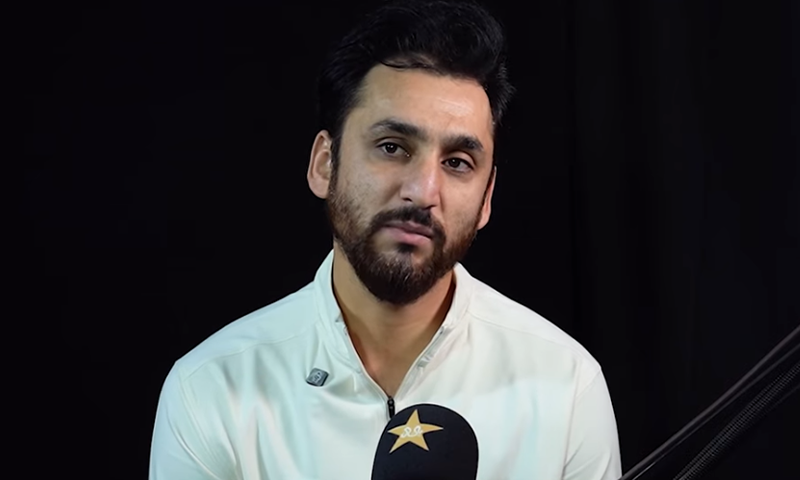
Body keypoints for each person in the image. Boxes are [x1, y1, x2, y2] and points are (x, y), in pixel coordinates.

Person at [148, 1, 622, 478]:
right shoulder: (211, 390)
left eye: (457, 162)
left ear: (486, 199)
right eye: (392, 147)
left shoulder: (565, 385)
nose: (423, 192)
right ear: (324, 164)